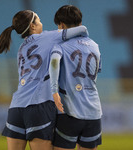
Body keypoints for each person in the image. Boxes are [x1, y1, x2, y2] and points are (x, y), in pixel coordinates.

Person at [0, 10, 88, 150]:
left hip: (16, 107)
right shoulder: (50, 37)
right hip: (38, 106)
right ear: (32, 26)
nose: (42, 23)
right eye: (39, 19)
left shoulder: (22, 47)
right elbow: (82, 29)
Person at [49, 5, 102, 150]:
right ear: (79, 23)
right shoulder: (95, 46)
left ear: (62, 25)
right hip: (93, 113)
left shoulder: (60, 45)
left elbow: (53, 63)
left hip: (69, 111)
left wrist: (54, 91)